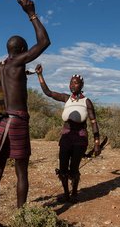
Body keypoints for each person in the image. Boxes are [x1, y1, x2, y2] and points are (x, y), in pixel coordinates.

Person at [0, 0, 51, 227]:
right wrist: (31, 13)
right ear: (21, 51)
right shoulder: (18, 62)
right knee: (22, 172)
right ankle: (20, 219)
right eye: (25, 49)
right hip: (17, 122)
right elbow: (44, 42)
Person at [35, 64, 101, 203]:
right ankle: (66, 194)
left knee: (74, 168)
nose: (72, 85)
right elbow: (48, 92)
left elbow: (93, 122)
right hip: (66, 137)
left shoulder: (86, 101)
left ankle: (75, 193)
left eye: (76, 83)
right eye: (71, 83)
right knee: (63, 167)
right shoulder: (66, 99)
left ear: (81, 85)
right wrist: (40, 75)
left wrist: (97, 143)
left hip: (80, 138)